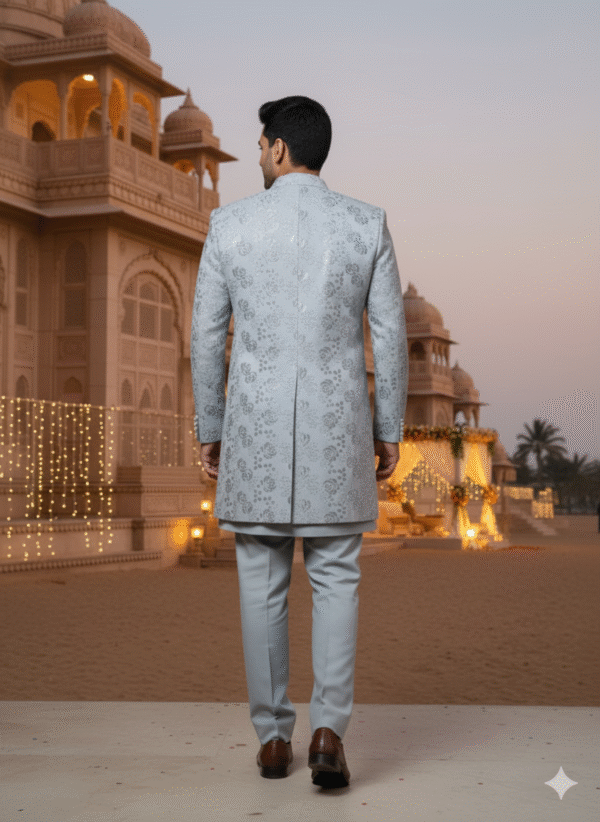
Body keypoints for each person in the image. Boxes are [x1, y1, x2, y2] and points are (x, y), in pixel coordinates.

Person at [190, 96, 408, 788]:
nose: (258, 155)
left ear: (279, 148)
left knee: (261, 586)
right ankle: (327, 732)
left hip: (252, 433)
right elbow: (390, 339)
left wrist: (211, 428)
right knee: (336, 579)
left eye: (260, 145)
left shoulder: (230, 224)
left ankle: (272, 740)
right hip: (336, 433)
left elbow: (205, 337)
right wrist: (388, 430)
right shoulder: (365, 224)